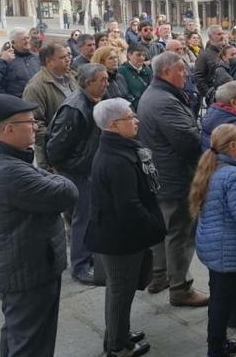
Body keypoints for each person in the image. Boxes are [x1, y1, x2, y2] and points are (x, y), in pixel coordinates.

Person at [0, 94, 78, 357]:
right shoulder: (9, 170)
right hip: (27, 271)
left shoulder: (6, 158)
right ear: (8, 129)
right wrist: (57, 178)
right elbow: (67, 192)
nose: (35, 126)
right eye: (30, 122)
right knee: (32, 343)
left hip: (20, 265)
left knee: (18, 333)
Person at [87, 98, 164, 357]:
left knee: (122, 288)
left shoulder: (120, 148)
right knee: (120, 290)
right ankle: (117, 346)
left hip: (121, 234)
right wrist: (154, 227)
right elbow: (128, 205)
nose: (136, 120)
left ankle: (119, 333)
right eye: (130, 117)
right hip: (119, 239)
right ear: (113, 124)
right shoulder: (116, 159)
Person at [137, 52, 208, 306]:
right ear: (166, 72)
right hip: (174, 176)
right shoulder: (164, 100)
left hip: (162, 173)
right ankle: (180, 288)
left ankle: (160, 276)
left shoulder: (156, 94)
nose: (186, 74)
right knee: (180, 232)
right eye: (181, 70)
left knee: (164, 229)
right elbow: (188, 141)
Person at [190, 124, 236, 357]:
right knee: (221, 302)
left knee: (219, 297)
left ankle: (218, 342)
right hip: (227, 249)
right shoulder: (235, 175)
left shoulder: (214, 167)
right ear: (232, 146)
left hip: (213, 245)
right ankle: (216, 348)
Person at [45, 63, 107, 286]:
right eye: (102, 80)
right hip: (77, 172)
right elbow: (56, 146)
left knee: (87, 217)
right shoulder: (75, 107)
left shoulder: (92, 102)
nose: (106, 84)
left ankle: (88, 257)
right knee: (82, 219)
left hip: (87, 169)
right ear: (88, 82)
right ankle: (80, 266)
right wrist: (64, 168)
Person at [21, 43, 76, 169]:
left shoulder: (71, 77)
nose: (68, 59)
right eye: (62, 57)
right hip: (54, 154)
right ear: (49, 62)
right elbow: (35, 124)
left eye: (68, 56)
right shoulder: (36, 87)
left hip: (76, 148)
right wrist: (60, 140)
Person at [0, 29, 40, 98]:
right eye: (23, 39)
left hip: (37, 101)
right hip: (15, 103)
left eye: (28, 38)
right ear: (13, 43)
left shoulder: (37, 58)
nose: (27, 41)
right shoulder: (5, 59)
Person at [194, 26, 225, 99]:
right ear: (211, 37)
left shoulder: (225, 51)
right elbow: (198, 76)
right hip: (214, 95)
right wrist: (209, 93)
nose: (222, 36)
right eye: (219, 34)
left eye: (222, 34)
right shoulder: (204, 55)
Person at [117, 44, 153, 110]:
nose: (142, 58)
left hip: (149, 105)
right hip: (133, 107)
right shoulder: (122, 71)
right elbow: (125, 93)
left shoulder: (147, 69)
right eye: (138, 55)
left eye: (144, 55)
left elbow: (152, 88)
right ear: (129, 55)